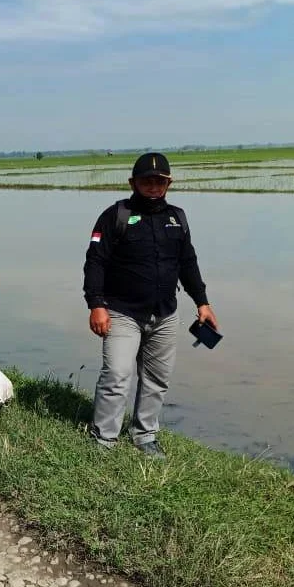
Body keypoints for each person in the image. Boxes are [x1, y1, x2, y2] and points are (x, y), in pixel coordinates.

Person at [82, 152, 219, 460]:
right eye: (147, 180)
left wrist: (203, 302)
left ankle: (145, 435)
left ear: (168, 183)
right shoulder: (115, 215)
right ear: (133, 182)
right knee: (117, 375)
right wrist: (96, 304)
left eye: (160, 181)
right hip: (122, 311)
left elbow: (188, 263)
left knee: (157, 378)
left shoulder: (177, 217)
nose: (153, 186)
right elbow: (96, 262)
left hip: (165, 313)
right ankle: (103, 439)